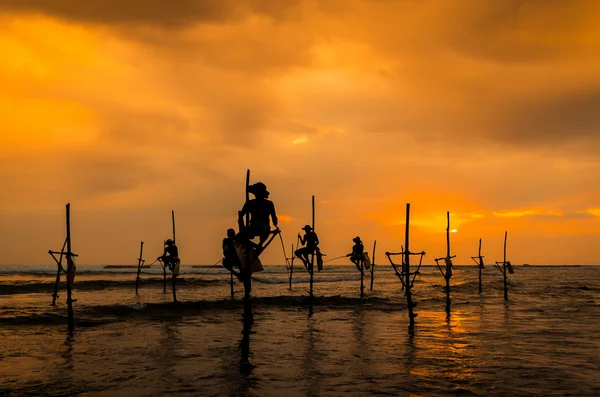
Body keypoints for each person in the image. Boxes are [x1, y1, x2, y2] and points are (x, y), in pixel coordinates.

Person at [238, 182, 278, 246]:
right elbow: (274, 218)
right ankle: (258, 245)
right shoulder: (251, 203)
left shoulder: (251, 203)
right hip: (256, 227)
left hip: (260, 227)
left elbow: (240, 217)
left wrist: (243, 227)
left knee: (241, 236)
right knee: (240, 237)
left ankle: (259, 244)